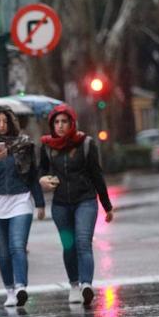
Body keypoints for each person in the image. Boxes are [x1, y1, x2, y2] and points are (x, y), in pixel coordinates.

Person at [38, 104, 113, 306]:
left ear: (72, 123)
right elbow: (40, 172)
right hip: (60, 205)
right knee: (68, 246)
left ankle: (86, 284)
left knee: (83, 242)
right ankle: (73, 285)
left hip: (85, 201)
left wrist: (107, 206)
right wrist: (42, 180)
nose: (60, 126)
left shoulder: (86, 144)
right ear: (52, 125)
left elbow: (97, 175)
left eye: (64, 121)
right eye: (56, 122)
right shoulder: (47, 146)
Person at [0, 106, 45, 308]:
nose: (2, 125)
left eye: (5, 121)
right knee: (4, 252)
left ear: (12, 122)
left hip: (20, 201)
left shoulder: (25, 145)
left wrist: (39, 202)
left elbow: (32, 175)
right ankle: (10, 291)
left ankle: (21, 286)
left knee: (17, 246)